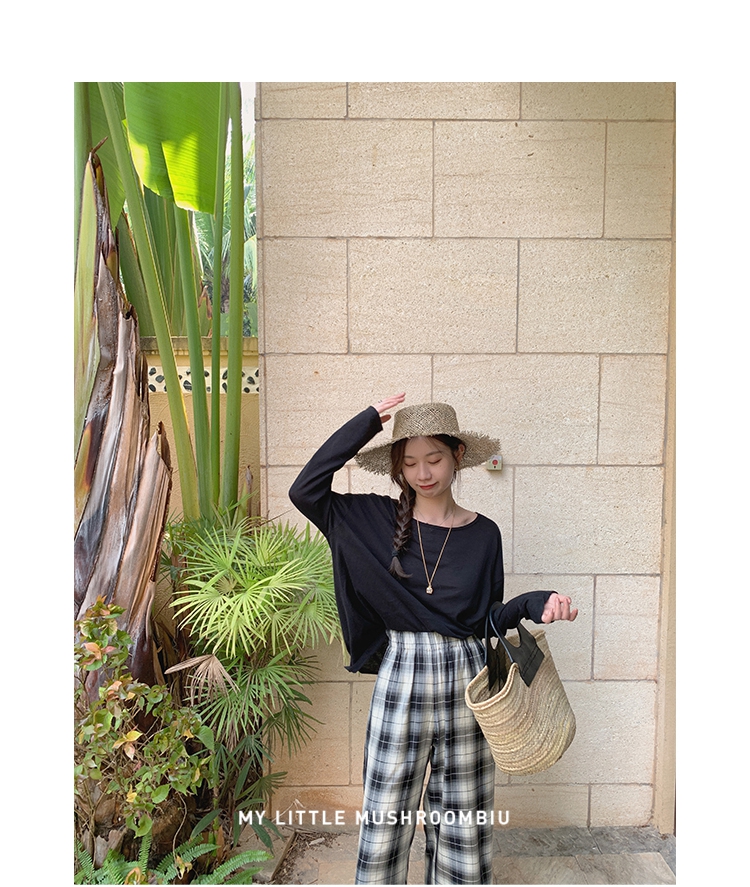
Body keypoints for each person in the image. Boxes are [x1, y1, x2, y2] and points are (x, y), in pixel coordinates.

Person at [289, 393, 577, 886]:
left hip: (468, 681)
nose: (423, 473)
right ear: (398, 468)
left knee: (464, 824)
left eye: (435, 458)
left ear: (458, 456)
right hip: (403, 674)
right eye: (410, 462)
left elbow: (484, 620)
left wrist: (535, 602)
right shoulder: (372, 520)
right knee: (386, 819)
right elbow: (306, 490)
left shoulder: (484, 534)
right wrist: (365, 424)